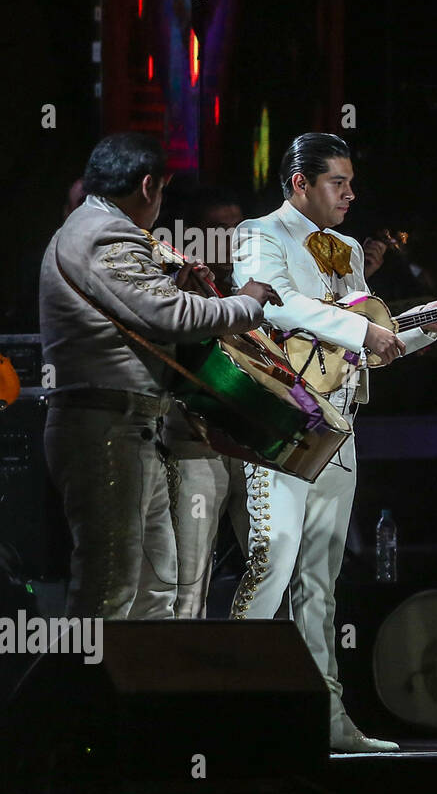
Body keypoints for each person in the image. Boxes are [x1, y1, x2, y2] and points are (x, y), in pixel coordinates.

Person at [229, 133, 437, 752]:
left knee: (320, 579)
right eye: (339, 183)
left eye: (352, 183)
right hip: (281, 417)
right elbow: (277, 309)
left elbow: (361, 351)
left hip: (340, 422)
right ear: (300, 183)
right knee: (272, 564)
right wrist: (363, 326)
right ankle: (225, 714)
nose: (351, 194)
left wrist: (425, 330)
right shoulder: (260, 234)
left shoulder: (349, 251)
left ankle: (327, 720)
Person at [39, 133, 279, 619]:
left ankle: (142, 696)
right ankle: (77, 695)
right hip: (104, 431)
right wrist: (246, 302)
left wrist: (172, 286)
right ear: (149, 186)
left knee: (154, 592)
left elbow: (145, 307)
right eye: (162, 192)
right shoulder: (102, 232)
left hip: (128, 429)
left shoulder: (94, 228)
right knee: (107, 589)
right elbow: (166, 315)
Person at [161, 187, 252, 618]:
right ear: (193, 236)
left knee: (271, 572)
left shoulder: (258, 282)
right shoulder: (173, 289)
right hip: (196, 446)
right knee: (189, 583)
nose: (230, 238)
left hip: (256, 447)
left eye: (236, 228)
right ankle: (182, 680)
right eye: (218, 229)